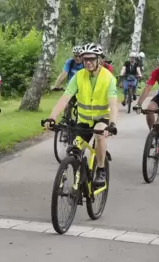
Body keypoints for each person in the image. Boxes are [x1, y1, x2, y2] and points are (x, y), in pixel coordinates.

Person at [43, 43, 118, 188]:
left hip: (102, 118)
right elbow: (65, 98)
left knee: (99, 135)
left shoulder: (108, 78)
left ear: (99, 60)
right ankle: (79, 178)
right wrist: (52, 117)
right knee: (74, 150)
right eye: (85, 59)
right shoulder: (78, 76)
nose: (88, 62)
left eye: (91, 59)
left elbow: (113, 104)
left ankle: (101, 169)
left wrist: (112, 124)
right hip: (83, 120)